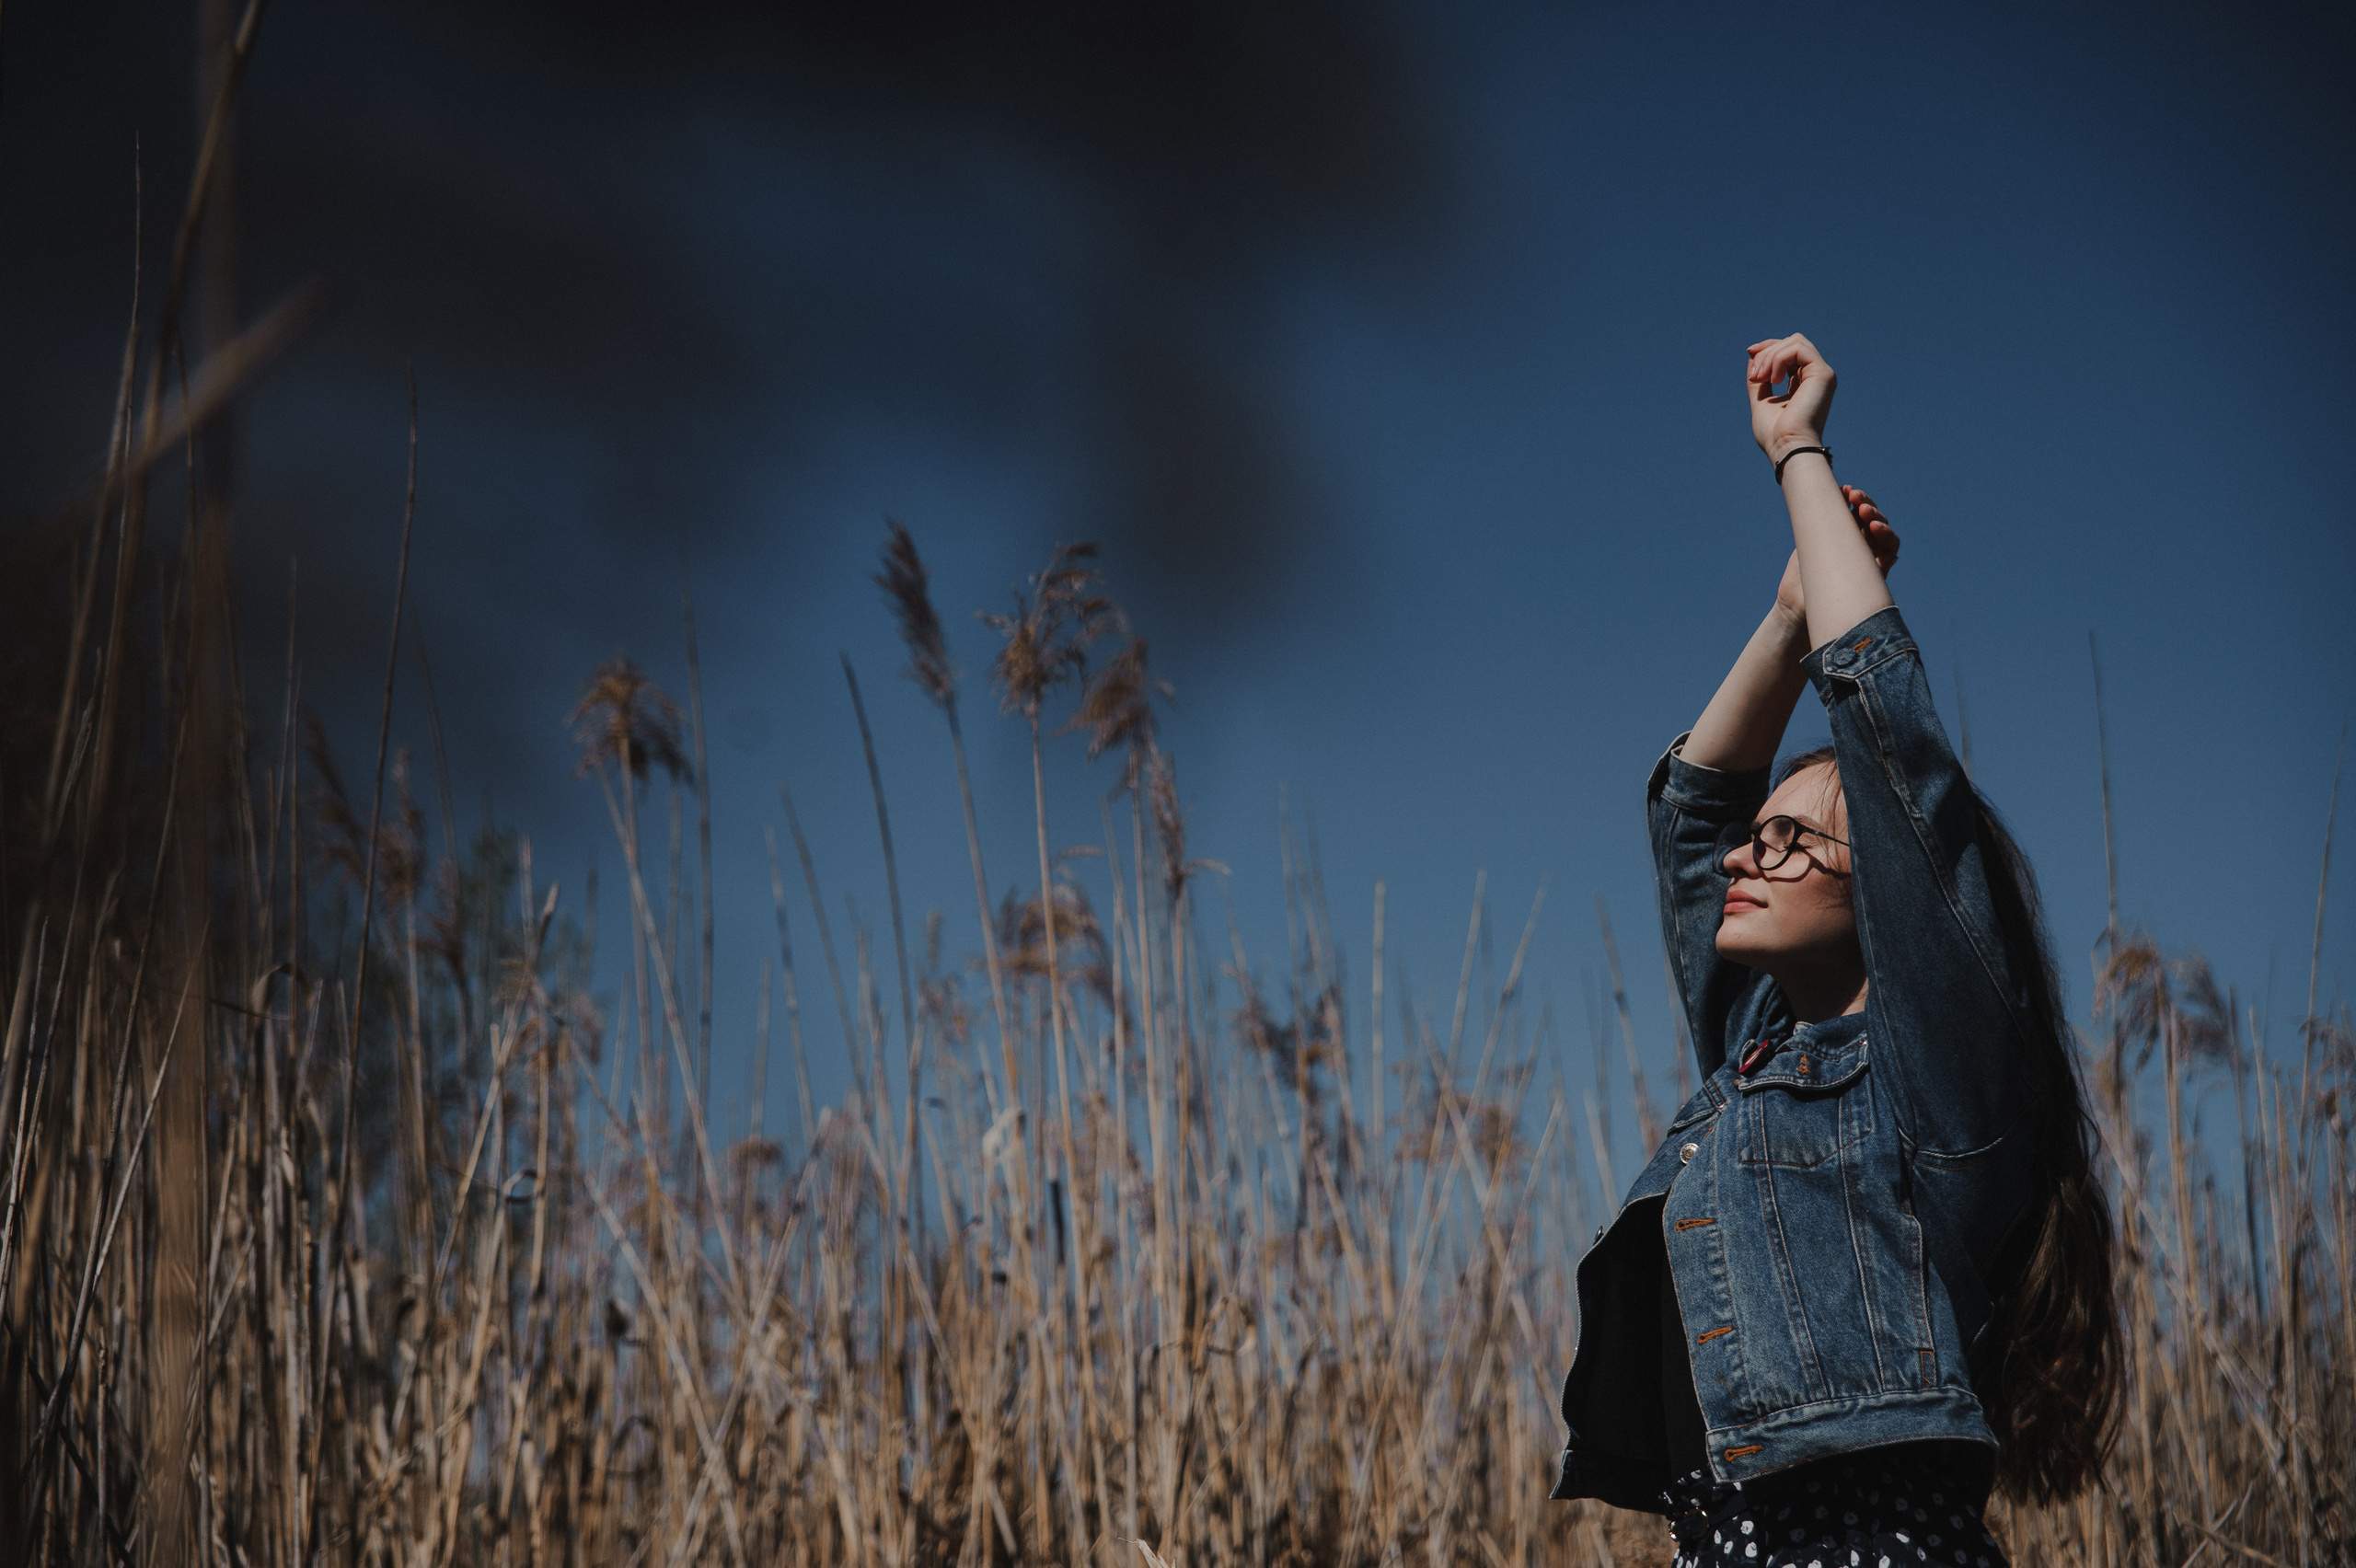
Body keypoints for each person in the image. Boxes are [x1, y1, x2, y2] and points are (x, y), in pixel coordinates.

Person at [1549, 334, 2122, 1566]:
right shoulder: (1752, 1062)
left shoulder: (1931, 1083)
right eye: (1760, 844)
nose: (1748, 862)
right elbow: (1694, 810)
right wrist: (1793, 608)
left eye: (1794, 845)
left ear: (1891, 901)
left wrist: (1798, 454)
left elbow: (1888, 737)